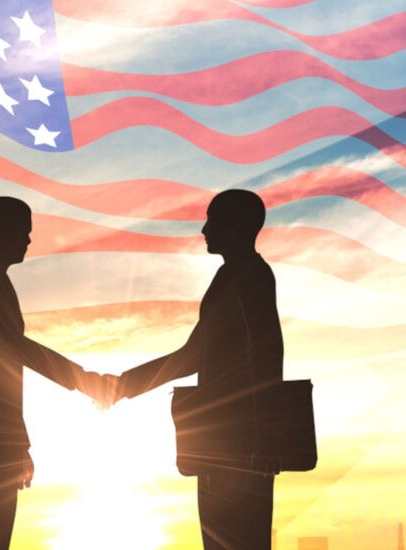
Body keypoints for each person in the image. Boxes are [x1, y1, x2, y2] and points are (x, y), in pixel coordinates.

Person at [0, 196, 116, 549]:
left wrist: (18, 445)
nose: (29, 240)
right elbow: (10, 349)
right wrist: (84, 380)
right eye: (23, 232)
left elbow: (4, 374)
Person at [112, 189, 284, 549]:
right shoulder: (246, 274)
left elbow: (199, 355)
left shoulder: (243, 276)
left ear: (236, 226)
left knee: (230, 537)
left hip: (235, 439)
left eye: (213, 220)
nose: (204, 229)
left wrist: (125, 384)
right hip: (238, 437)